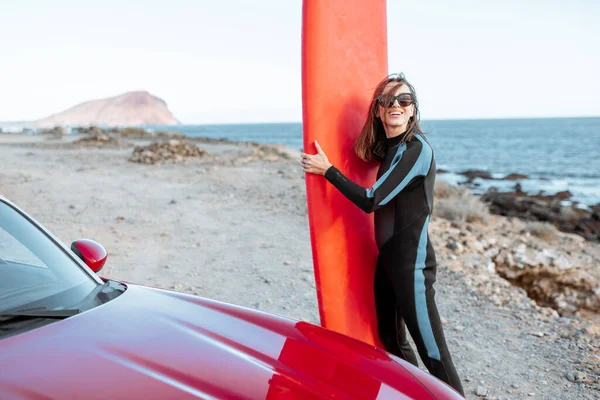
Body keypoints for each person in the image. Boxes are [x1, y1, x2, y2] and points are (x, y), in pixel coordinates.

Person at [300, 73, 464, 396]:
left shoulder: (417, 151)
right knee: (392, 342)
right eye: (388, 100)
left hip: (412, 269)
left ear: (413, 111)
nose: (397, 105)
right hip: (387, 264)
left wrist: (327, 170)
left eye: (404, 100)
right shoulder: (390, 149)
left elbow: (372, 200)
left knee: (435, 356)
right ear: (378, 110)